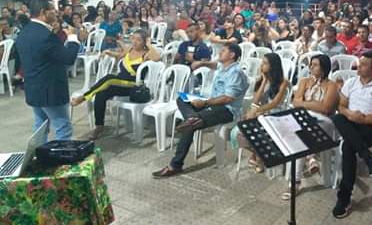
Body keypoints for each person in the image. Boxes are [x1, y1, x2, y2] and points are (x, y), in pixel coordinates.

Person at [152, 43, 248, 178]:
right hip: (213, 103)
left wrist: (205, 102)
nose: (220, 52)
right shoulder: (224, 67)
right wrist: (203, 63)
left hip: (227, 110)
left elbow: (228, 98)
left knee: (190, 126)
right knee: (182, 99)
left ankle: (175, 165)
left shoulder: (235, 73)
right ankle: (192, 118)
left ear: (232, 55)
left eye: (223, 51)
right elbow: (215, 65)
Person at [70, 29, 161, 140]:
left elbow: (157, 58)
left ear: (144, 41)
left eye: (138, 40)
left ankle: (83, 97)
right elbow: (120, 55)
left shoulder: (146, 54)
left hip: (133, 85)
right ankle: (99, 126)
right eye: (133, 38)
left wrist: (149, 44)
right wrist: (108, 52)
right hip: (120, 82)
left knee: (109, 78)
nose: (135, 42)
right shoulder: (130, 49)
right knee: (101, 94)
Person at [15, 0, 80, 144]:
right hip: (50, 90)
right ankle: (61, 157)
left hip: (33, 88)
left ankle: (39, 155)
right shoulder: (46, 36)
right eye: (52, 10)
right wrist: (72, 38)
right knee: (63, 127)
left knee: (40, 128)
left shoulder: (24, 32)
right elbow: (68, 58)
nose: (56, 12)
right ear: (43, 12)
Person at [331, 52, 372, 219]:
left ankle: (344, 198)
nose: (359, 67)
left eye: (364, 65)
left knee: (348, 145)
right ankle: (368, 158)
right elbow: (341, 106)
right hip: (351, 123)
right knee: (338, 119)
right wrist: (351, 114)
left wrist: (359, 118)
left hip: (369, 129)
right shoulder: (351, 82)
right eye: (359, 63)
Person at [286, 54, 338, 199]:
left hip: (324, 122)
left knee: (300, 134)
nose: (311, 67)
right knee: (300, 137)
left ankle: (298, 176)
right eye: (311, 64)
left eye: (315, 65)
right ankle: (307, 163)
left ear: (324, 68)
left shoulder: (332, 85)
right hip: (304, 119)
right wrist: (314, 105)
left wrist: (304, 104)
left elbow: (326, 108)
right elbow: (295, 102)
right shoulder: (304, 81)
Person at [235, 53, 289, 173]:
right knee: (243, 127)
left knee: (253, 119)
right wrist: (264, 81)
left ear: (273, 66)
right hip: (262, 111)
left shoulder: (283, 82)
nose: (261, 65)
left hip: (276, 113)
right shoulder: (261, 80)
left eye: (265, 63)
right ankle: (258, 153)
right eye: (262, 63)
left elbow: (275, 103)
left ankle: (258, 156)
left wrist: (257, 111)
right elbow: (255, 101)